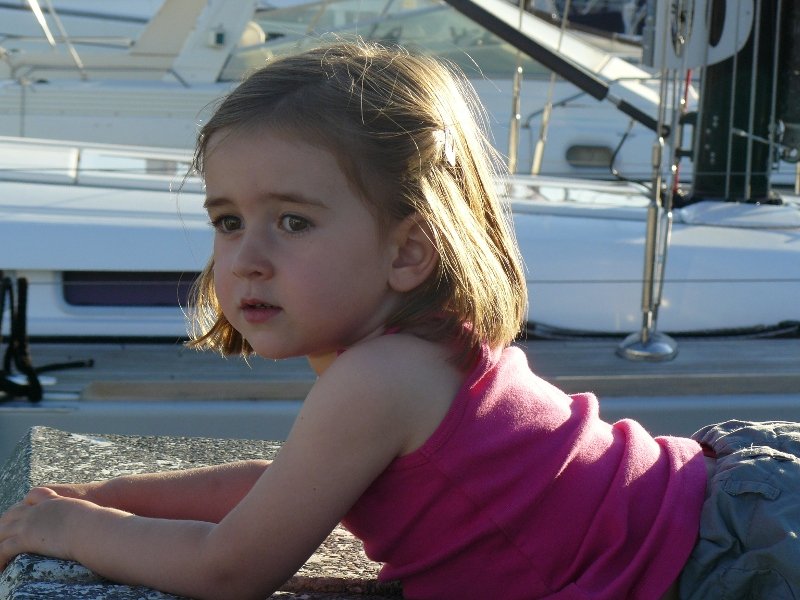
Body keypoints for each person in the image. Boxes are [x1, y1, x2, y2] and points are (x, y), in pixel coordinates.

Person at [0, 40, 798, 600]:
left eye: (293, 221)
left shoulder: (383, 377)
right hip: (720, 507)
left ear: (407, 252)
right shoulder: (416, 348)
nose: (246, 258)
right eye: (229, 220)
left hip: (721, 561)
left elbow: (230, 569)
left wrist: (67, 530)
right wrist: (111, 495)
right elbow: (285, 487)